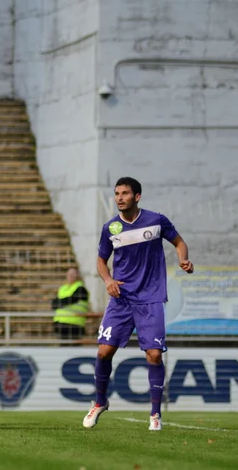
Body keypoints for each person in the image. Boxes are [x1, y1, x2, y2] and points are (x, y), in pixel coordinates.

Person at [82, 177, 194, 432]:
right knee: (103, 352)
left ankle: (155, 414)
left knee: (154, 355)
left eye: (125, 193)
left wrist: (184, 260)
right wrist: (108, 279)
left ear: (137, 196)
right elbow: (101, 261)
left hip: (151, 298)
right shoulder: (110, 228)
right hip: (121, 299)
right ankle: (100, 402)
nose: (119, 198)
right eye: (117, 194)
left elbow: (179, 242)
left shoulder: (156, 221)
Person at [52, 267, 89, 340]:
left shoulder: (81, 289)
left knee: (74, 349)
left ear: (78, 275)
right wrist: (61, 302)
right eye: (69, 274)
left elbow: (70, 300)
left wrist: (60, 302)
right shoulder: (62, 288)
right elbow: (53, 304)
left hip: (75, 325)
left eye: (73, 274)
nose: (71, 276)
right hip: (60, 323)